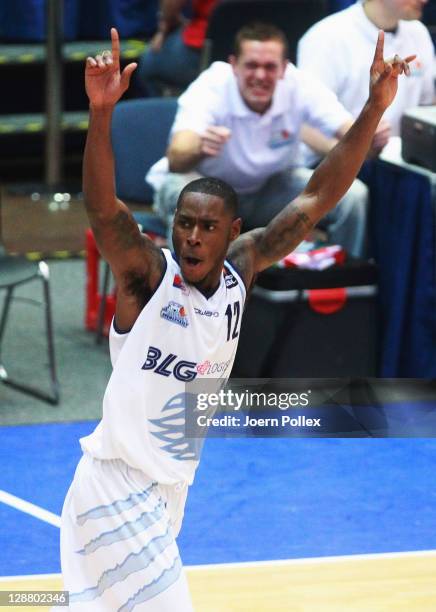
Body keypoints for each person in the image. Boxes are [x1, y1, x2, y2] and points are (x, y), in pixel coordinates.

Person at [57, 27, 412, 611]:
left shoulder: (239, 271)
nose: (193, 236)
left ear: (232, 232)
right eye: (185, 224)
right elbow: (103, 209)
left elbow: (317, 197)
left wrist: (374, 107)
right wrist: (101, 116)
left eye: (207, 227)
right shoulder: (146, 277)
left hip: (168, 489)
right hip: (116, 487)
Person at [147, 21, 375, 258]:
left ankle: (340, 282)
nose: (260, 75)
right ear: (234, 65)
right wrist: (198, 147)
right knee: (190, 196)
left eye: (269, 67)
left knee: (354, 196)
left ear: (284, 68)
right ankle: (187, 290)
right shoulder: (212, 85)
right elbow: (176, 158)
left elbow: (352, 133)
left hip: (267, 190)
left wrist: (375, 109)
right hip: (207, 185)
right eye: (252, 65)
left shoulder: (299, 85)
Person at [297, 0, 435, 167]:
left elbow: (427, 107)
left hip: (400, 159)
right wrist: (359, 153)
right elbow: (302, 125)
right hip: (334, 161)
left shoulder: (418, 32)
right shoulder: (325, 37)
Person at [135, 0, 218, 97]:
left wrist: (164, 29)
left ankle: (165, 108)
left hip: (200, 51)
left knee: (147, 65)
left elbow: (171, 4)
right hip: (233, 56)